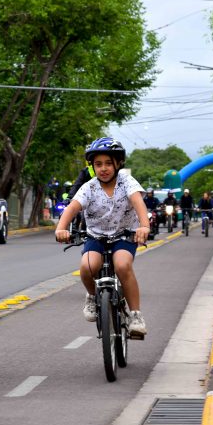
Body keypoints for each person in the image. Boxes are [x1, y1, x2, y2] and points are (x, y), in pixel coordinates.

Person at [55, 137, 149, 337]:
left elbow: (138, 202)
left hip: (124, 235)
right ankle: (91, 295)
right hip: (96, 236)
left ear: (118, 163)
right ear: (92, 166)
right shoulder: (89, 187)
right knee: (87, 266)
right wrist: (61, 228)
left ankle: (135, 315)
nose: (103, 168)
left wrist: (144, 226)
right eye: (98, 164)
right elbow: (72, 207)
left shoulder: (126, 181)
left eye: (108, 163)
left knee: (122, 265)